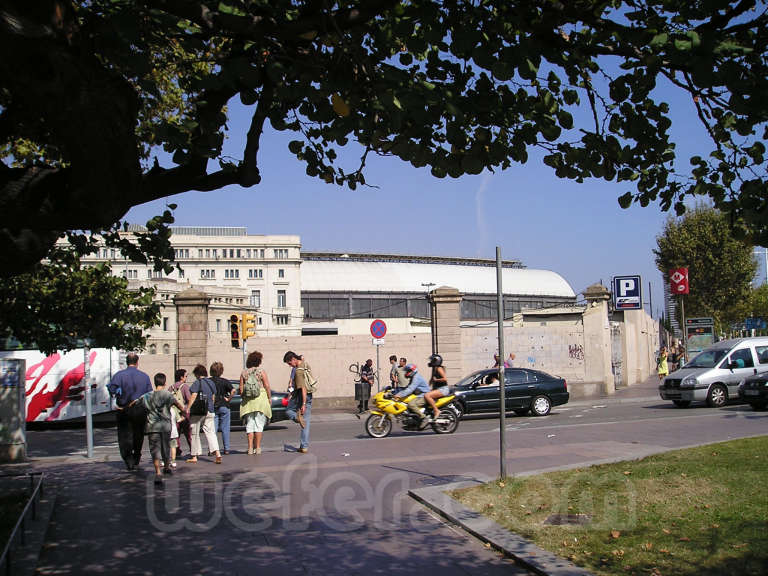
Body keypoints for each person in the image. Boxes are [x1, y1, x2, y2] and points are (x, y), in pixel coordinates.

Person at [107, 352, 152, 471]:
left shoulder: (119, 375)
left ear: (127, 362)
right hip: (140, 409)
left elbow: (112, 389)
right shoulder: (144, 376)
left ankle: (128, 459)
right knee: (139, 434)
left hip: (124, 409)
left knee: (124, 435)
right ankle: (137, 456)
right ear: (137, 363)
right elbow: (149, 394)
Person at [141, 373, 185, 485]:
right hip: (166, 426)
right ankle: (166, 467)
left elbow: (136, 404)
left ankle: (158, 472)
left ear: (154, 382)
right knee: (166, 447)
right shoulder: (168, 395)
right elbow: (179, 406)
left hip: (153, 427)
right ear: (165, 383)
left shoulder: (147, 396)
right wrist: (184, 412)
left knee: (155, 450)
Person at [185, 364, 222, 464]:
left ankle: (194, 455)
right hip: (210, 410)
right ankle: (217, 453)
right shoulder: (211, 383)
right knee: (211, 432)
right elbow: (213, 397)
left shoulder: (198, 382)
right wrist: (210, 406)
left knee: (194, 432)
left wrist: (188, 408)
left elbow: (194, 395)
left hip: (198, 411)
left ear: (197, 374)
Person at [239, 351, 272, 455]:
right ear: (259, 361)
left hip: (248, 402)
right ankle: (257, 448)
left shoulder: (244, 373)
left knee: (250, 424)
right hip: (260, 400)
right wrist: (269, 398)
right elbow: (266, 385)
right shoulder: (261, 371)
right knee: (259, 425)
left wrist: (245, 396)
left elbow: (241, 389)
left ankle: (249, 448)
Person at [283, 351, 314, 454]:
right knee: (306, 423)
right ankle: (304, 446)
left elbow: (303, 388)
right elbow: (302, 358)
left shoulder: (298, 371)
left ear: (293, 359)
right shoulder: (305, 365)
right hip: (310, 396)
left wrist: (303, 404)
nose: (289, 365)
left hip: (301, 396)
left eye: (289, 363)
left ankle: (297, 418)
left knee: (288, 411)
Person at [210, 361, 234, 454]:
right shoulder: (225, 381)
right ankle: (226, 448)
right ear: (221, 371)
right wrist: (229, 399)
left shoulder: (209, 381)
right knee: (225, 428)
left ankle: (213, 449)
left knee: (213, 429)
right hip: (224, 405)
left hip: (213, 406)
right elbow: (233, 390)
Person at [169, 368, 192, 464]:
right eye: (186, 376)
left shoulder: (171, 387)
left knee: (176, 434)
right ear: (181, 377)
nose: (186, 378)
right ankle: (193, 450)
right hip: (184, 413)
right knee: (188, 433)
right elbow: (189, 399)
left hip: (174, 413)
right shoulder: (185, 386)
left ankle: (177, 451)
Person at [424, 353, 452, 419]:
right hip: (438, 389)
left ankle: (436, 411)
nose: (430, 362)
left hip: (443, 389)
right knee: (425, 394)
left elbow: (444, 378)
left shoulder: (439, 368)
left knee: (427, 396)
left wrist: (436, 380)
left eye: (432, 361)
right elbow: (431, 380)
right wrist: (426, 388)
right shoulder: (434, 369)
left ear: (436, 361)